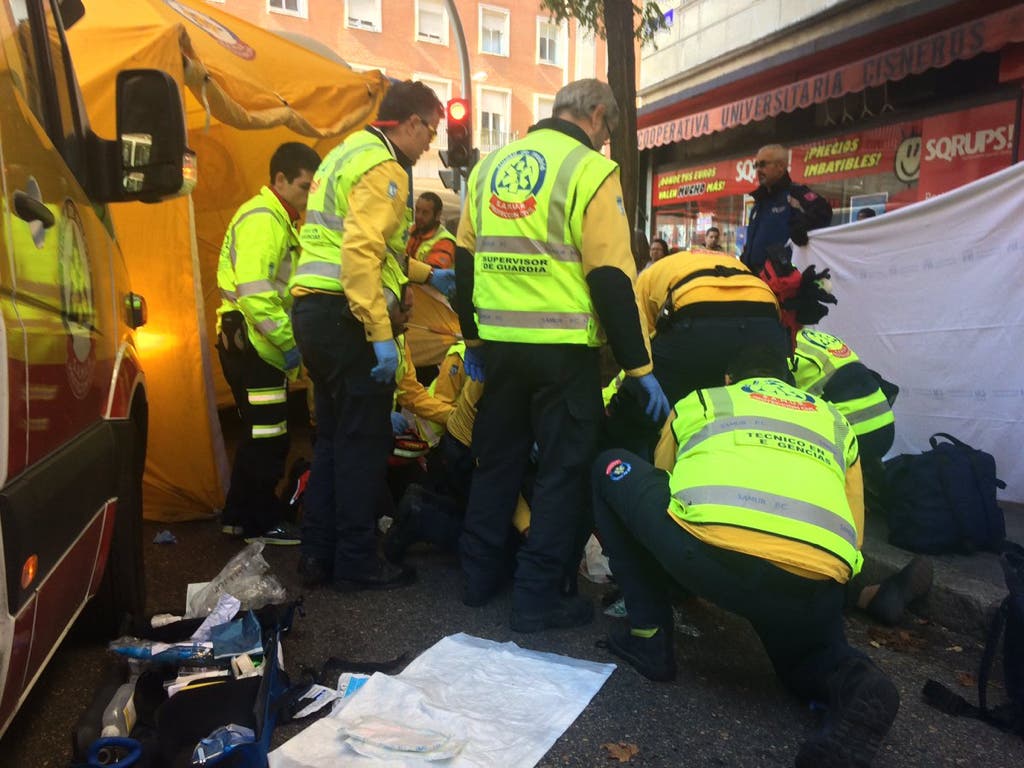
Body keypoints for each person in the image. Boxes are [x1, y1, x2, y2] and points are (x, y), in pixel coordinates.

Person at [592, 345, 899, 768]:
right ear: (790, 385)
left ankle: (648, 638)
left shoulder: (704, 400)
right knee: (807, 662)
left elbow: (670, 484)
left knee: (611, 465)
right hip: (816, 579)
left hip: (716, 559)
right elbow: (855, 530)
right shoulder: (835, 421)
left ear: (728, 379)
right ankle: (857, 682)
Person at [453, 78, 670, 631]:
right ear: (597, 114)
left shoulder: (487, 168)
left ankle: (476, 580)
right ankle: (535, 598)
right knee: (560, 473)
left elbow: (464, 261)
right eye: (608, 132)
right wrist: (639, 367)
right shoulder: (591, 172)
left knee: (496, 462)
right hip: (562, 355)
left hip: (499, 352)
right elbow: (611, 280)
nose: (605, 143)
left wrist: (473, 339)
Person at [290, 80, 453, 591]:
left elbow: (365, 247)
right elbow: (360, 251)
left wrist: (425, 276)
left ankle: (317, 556)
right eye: (430, 129)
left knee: (334, 442)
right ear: (408, 123)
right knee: (364, 446)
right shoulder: (385, 167)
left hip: (315, 311)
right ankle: (358, 561)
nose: (431, 142)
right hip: (348, 319)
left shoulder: (347, 152)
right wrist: (380, 334)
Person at [216, 142, 321, 545]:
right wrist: (290, 340)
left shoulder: (277, 219)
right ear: (279, 179)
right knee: (268, 436)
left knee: (263, 434)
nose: (308, 195)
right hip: (257, 347)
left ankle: (239, 517)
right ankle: (258, 522)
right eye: (303, 186)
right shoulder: (264, 220)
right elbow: (256, 293)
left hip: (257, 347)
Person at [605, 248, 789, 458]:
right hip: (764, 316)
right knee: (761, 402)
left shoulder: (648, 277)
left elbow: (639, 345)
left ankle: (622, 467)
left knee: (639, 405)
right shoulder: (732, 264)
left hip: (696, 318)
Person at [740, 144, 832, 275]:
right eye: (756, 166)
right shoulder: (759, 202)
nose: (758, 170)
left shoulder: (795, 193)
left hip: (782, 283)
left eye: (763, 164)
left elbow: (824, 211)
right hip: (754, 280)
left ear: (780, 167)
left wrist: (803, 226)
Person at [404, 192, 461, 385]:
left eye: (425, 213)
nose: (419, 216)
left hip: (435, 319)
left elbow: (433, 273)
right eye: (417, 211)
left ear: (437, 215)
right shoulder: (411, 232)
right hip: (415, 317)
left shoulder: (444, 242)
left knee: (424, 372)